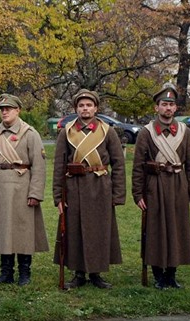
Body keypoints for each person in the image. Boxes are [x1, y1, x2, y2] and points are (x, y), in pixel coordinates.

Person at [52, 89, 126, 289]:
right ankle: (78, 273)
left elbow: (118, 163)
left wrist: (117, 194)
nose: (85, 109)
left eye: (89, 105)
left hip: (99, 186)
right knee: (75, 230)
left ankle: (96, 273)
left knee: (98, 230)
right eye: (81, 105)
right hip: (74, 187)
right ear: (76, 108)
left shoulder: (107, 131)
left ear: (96, 108)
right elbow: (59, 166)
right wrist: (58, 196)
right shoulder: (66, 132)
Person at [131, 85, 190, 290]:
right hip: (155, 185)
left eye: (171, 105)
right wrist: (138, 194)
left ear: (176, 108)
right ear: (157, 108)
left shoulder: (185, 132)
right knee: (155, 230)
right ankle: (158, 275)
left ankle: (171, 274)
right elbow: (138, 167)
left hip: (179, 186)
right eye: (164, 104)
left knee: (177, 229)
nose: (168, 108)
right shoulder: (146, 133)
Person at [0, 94, 49, 286]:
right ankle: (6, 272)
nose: (5, 111)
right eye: (2, 109)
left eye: (9, 108)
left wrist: (35, 193)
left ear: (18, 110)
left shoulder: (30, 134)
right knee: (3, 230)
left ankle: (25, 273)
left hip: (22, 188)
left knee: (23, 231)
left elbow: (39, 167)